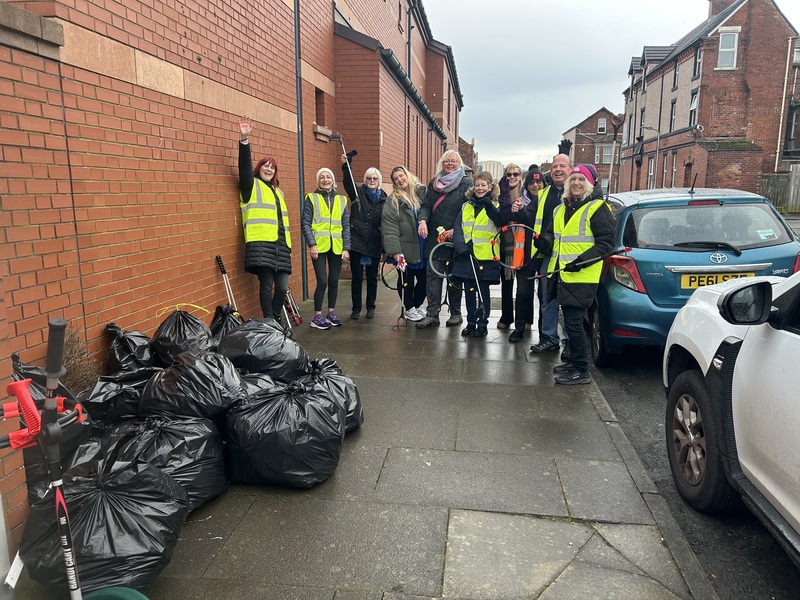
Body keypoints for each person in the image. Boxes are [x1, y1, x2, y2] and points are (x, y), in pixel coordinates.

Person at [538, 165, 615, 384]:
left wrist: (580, 262)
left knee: (574, 323)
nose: (576, 183)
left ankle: (581, 371)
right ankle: (574, 362)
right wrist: (543, 242)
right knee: (573, 323)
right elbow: (553, 237)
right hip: (562, 274)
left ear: (589, 183)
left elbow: (606, 244)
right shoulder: (561, 208)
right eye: (573, 179)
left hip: (582, 275)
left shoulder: (597, 208)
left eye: (581, 179)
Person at [236, 115, 292, 321]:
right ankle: (270, 321)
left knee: (283, 287)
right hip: (261, 243)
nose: (268, 169)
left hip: (280, 245)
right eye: (265, 166)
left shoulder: (278, 192)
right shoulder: (251, 186)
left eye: (272, 167)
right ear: (258, 169)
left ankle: (275, 318)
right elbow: (244, 169)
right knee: (266, 286)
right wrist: (244, 140)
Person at [416, 150, 473, 328]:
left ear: (459, 164)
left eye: (453, 161)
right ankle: (432, 314)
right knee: (432, 278)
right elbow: (426, 205)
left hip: (455, 238)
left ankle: (456, 313)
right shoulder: (434, 183)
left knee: (454, 278)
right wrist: (422, 220)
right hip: (435, 238)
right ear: (442, 163)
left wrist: (457, 230)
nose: (450, 163)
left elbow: (469, 209)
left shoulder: (466, 183)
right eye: (447, 161)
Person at [451, 172, 506, 337]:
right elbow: (458, 227)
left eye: (483, 185)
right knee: (469, 291)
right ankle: (471, 322)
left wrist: (490, 207)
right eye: (477, 185)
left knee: (483, 292)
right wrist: (461, 247)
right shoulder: (466, 206)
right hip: (467, 255)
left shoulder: (496, 205)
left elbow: (500, 222)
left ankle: (482, 323)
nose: (480, 188)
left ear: (490, 187)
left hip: (486, 256)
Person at [530, 154, 571, 358]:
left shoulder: (578, 191)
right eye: (555, 166)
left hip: (572, 256)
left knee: (570, 302)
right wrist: (516, 210)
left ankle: (570, 342)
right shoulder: (543, 194)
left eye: (562, 166)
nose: (558, 169)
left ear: (570, 169)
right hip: (548, 254)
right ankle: (550, 339)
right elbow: (529, 216)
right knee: (548, 298)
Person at [301, 167, 351, 329]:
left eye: (328, 177)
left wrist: (346, 248)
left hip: (336, 246)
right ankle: (317, 316)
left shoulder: (342, 200)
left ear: (333, 180)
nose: (325, 179)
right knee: (322, 281)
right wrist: (312, 244)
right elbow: (305, 223)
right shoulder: (311, 198)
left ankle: (331, 313)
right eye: (322, 177)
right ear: (318, 181)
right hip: (319, 246)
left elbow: (346, 225)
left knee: (334, 281)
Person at [500, 166, 546, 342]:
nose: (535, 185)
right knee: (523, 291)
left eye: (539, 182)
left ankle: (544, 332)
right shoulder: (520, 202)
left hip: (545, 252)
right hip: (525, 253)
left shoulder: (550, 200)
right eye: (532, 182)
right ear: (526, 185)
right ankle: (519, 327)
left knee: (544, 295)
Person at [341, 153, 386, 320]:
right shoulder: (357, 193)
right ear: (365, 180)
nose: (372, 180)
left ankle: (371, 307)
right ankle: (356, 308)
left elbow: (386, 225)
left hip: (374, 243)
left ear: (379, 181)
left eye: (374, 178)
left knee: (372, 278)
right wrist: (347, 165)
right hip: (357, 242)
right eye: (369, 178)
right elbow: (348, 182)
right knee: (357, 278)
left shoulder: (384, 198)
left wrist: (385, 249)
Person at [383, 166, 428, 321]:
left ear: (407, 175)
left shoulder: (422, 193)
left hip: (423, 245)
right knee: (406, 279)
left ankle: (417, 304)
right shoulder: (393, 201)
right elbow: (389, 228)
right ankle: (409, 308)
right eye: (396, 179)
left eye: (401, 176)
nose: (400, 180)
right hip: (404, 248)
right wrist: (395, 251)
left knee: (425, 279)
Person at [496, 163, 524, 329]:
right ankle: (506, 317)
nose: (512, 177)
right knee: (507, 282)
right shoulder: (499, 194)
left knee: (524, 286)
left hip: (524, 243)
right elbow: (502, 216)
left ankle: (524, 319)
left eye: (516, 174)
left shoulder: (527, 194)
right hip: (506, 245)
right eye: (509, 174)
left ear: (521, 176)